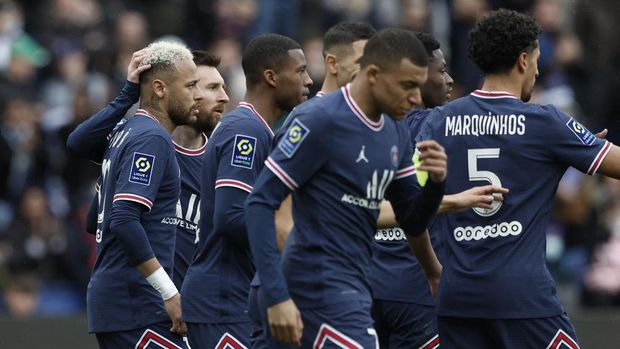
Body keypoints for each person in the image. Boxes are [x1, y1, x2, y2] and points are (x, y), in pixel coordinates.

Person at [417, 9, 620, 348]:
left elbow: (411, 204)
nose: (539, 70)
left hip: (457, 299)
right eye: (538, 59)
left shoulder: (436, 122)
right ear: (523, 60)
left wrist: (432, 270)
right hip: (522, 300)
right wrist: (579, 144)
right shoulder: (543, 121)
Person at [245, 28, 447, 348]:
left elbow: (411, 218)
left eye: (419, 87)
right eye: (407, 86)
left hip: (353, 285)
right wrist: (276, 295)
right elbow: (259, 203)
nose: (416, 99)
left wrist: (436, 184)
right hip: (314, 286)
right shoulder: (319, 120)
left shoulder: (395, 131)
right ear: (375, 74)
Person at [370, 32, 510, 349]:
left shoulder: (364, 124)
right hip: (416, 287)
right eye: (441, 71)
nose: (449, 80)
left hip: (363, 286)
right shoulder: (446, 124)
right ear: (417, 76)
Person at [246, 22, 376, 349]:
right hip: (305, 287)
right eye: (361, 61)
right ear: (333, 64)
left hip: (343, 283)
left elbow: (358, 206)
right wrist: (283, 294)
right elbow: (277, 216)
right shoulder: (308, 119)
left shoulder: (369, 124)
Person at [180, 33, 312, 348]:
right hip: (223, 299)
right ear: (271, 77)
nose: (308, 80)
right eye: (300, 71)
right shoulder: (246, 131)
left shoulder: (258, 130)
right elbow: (230, 216)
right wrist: (295, 237)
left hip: (232, 294)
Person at [72, 41, 203, 348]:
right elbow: (124, 220)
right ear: (159, 88)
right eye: (190, 85)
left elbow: (95, 220)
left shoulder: (125, 133)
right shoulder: (151, 139)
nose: (197, 95)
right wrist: (168, 292)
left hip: (119, 301)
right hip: (137, 302)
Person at [67, 49, 230, 291]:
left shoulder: (220, 163)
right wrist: (127, 95)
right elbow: (78, 143)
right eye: (210, 87)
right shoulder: (142, 141)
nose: (224, 97)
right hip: (144, 296)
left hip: (188, 303)